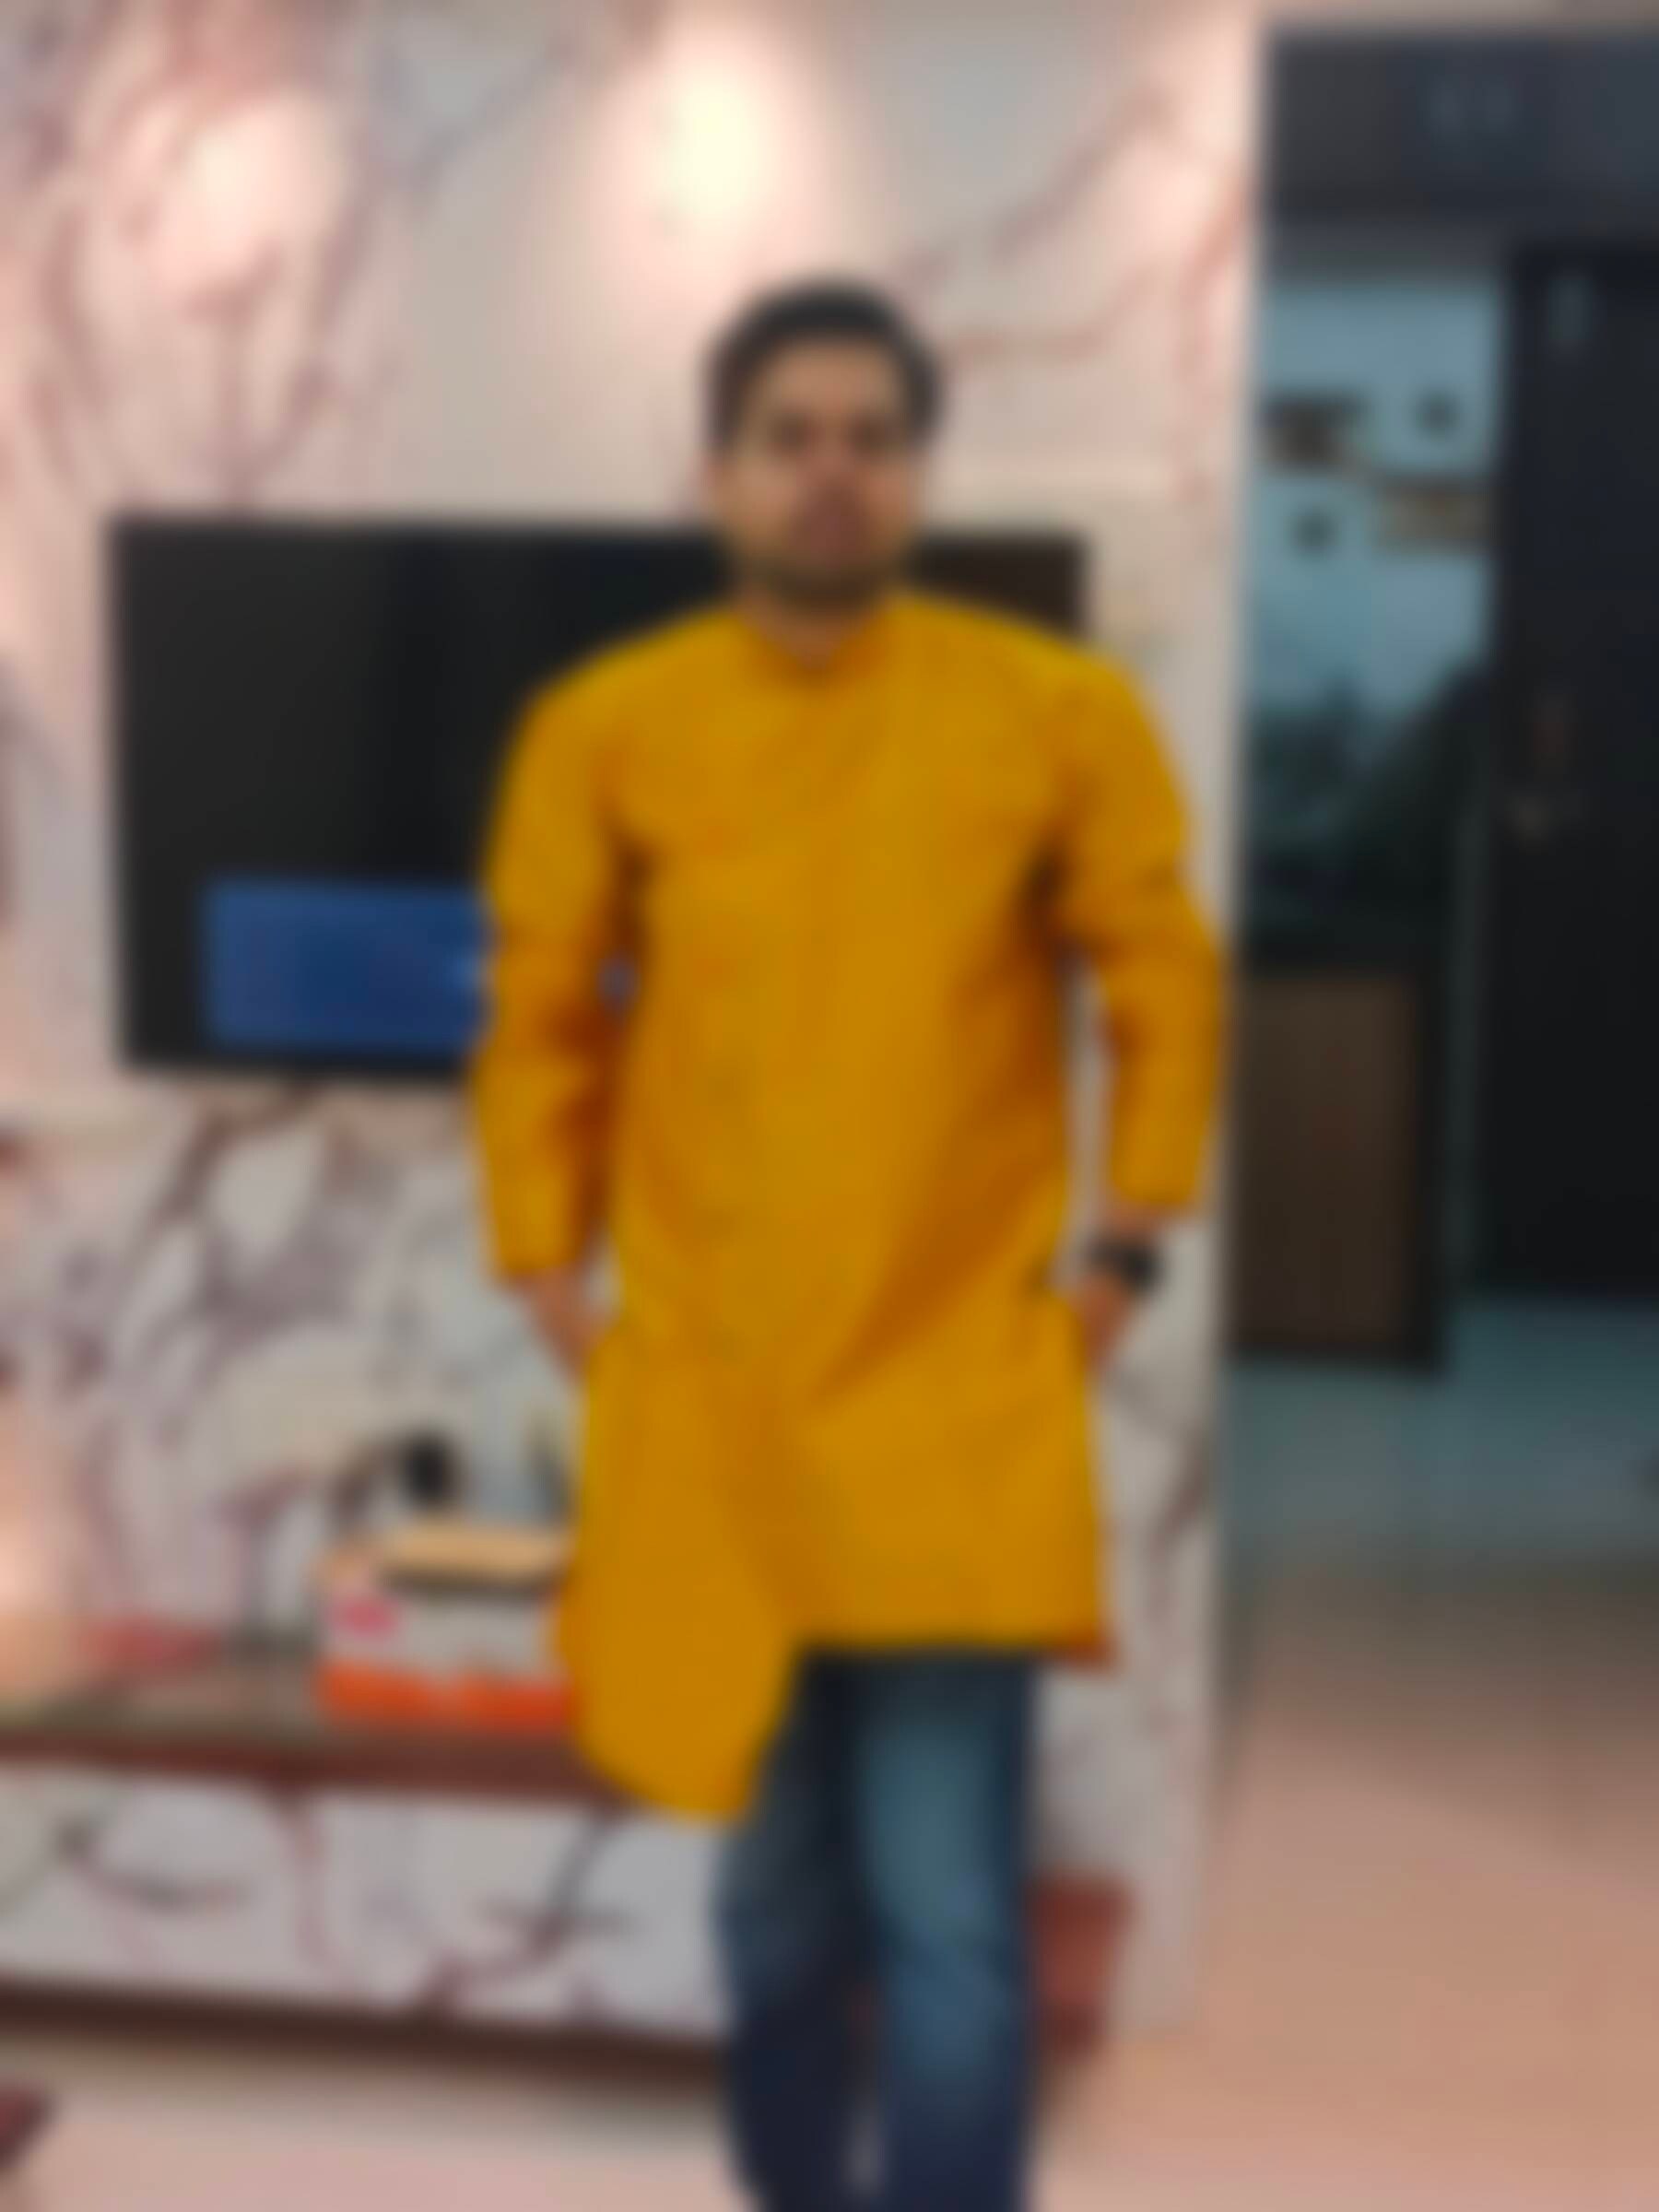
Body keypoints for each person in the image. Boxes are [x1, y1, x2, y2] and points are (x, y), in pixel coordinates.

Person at [470, 279, 1222, 2212]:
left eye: (870, 440)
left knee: (952, 1925)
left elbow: (1164, 980)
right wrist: (546, 1267)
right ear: (715, 471)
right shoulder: (607, 728)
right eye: (789, 437)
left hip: (952, 1413)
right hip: (720, 1423)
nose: (830, 473)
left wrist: (1129, 1248)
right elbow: (540, 1016)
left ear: (916, 476)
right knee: (776, 1914)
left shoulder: (1051, 712)